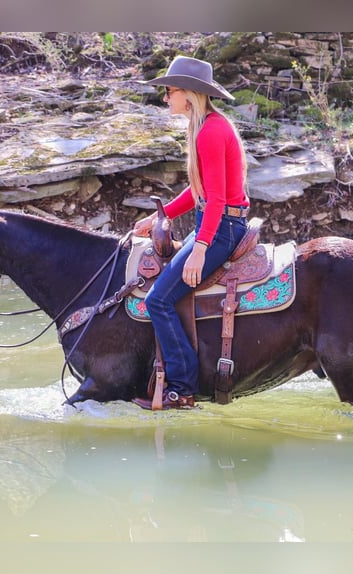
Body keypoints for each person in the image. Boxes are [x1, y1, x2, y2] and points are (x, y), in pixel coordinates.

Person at [132, 56, 249, 410]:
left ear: (190, 94)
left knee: (158, 300)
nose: (165, 98)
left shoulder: (212, 132)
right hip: (220, 221)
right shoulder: (205, 127)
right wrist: (162, 214)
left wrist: (200, 248)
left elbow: (214, 200)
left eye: (170, 91)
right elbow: (200, 191)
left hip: (222, 227)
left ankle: (181, 389)